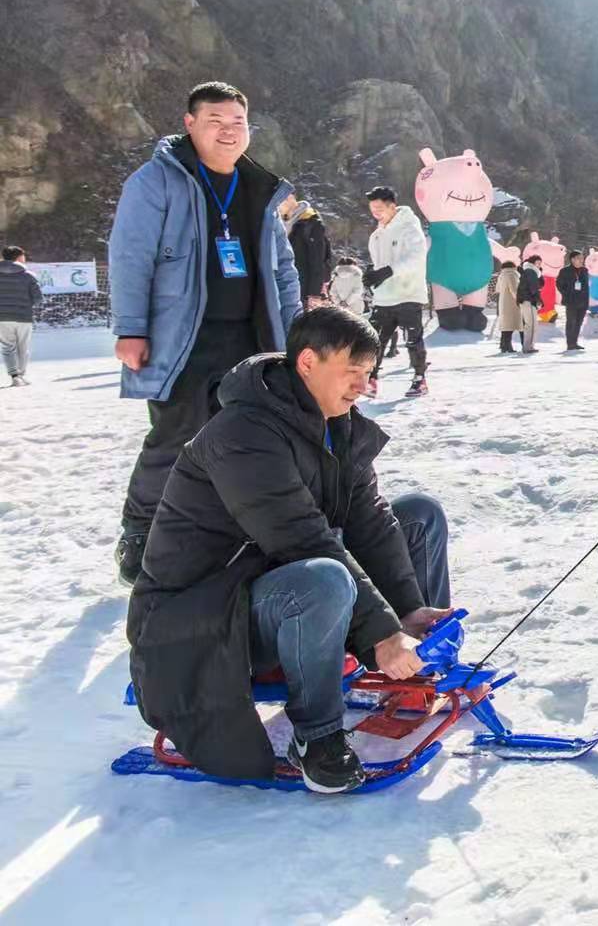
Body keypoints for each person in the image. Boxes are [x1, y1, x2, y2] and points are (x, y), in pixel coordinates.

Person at [126, 307, 454, 791]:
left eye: (369, 373)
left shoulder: (337, 424)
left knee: (418, 517)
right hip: (205, 617)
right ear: (307, 362)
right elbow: (299, 537)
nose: (363, 385)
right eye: (353, 372)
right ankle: (316, 737)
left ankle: (413, 672)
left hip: (270, 589)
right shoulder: (242, 434)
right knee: (322, 575)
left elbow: (369, 522)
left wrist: (405, 613)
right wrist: (380, 631)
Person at [109, 81, 302, 584]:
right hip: (184, 338)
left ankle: (231, 532)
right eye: (215, 121)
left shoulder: (258, 188)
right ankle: (141, 532)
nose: (228, 131)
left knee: (251, 437)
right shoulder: (156, 182)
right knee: (176, 437)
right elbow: (131, 257)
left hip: (252, 337)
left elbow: (282, 270)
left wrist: (295, 331)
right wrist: (131, 328)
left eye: (237, 122)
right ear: (189, 123)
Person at [362, 186, 428, 397]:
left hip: (408, 294)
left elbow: (416, 257)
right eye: (372, 209)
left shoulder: (409, 228)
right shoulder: (376, 235)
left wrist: (388, 271)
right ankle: (370, 379)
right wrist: (372, 274)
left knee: (412, 339)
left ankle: (420, 379)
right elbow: (380, 263)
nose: (376, 213)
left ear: (392, 206)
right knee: (374, 340)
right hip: (384, 297)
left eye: (379, 208)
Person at [0, 245, 44, 387]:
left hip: (2, 317)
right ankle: (21, 375)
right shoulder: (28, 276)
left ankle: (14, 376)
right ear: (19, 257)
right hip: (24, 316)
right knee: (22, 347)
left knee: (8, 347)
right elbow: (38, 298)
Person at [281, 195, 333, 308]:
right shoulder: (285, 223)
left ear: (290, 199)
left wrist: (314, 293)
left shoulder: (311, 223)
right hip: (289, 286)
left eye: (280, 202)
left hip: (304, 291)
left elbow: (318, 259)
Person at [557, 250, 590, 352]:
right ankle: (570, 344)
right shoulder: (565, 271)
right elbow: (559, 285)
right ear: (572, 259)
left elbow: (586, 286)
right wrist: (567, 294)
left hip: (583, 301)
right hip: (571, 301)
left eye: (582, 258)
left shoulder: (584, 270)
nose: (581, 260)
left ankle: (575, 342)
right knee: (571, 322)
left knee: (578, 323)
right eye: (579, 258)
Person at [494, 258, 521, 353]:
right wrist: (519, 300)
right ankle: (508, 347)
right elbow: (514, 290)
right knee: (510, 326)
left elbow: (497, 289)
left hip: (503, 302)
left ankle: (503, 345)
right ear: (513, 267)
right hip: (511, 303)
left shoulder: (501, 275)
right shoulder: (512, 275)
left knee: (506, 326)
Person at [516, 255, 542, 353]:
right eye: (538, 263)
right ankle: (528, 347)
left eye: (540, 263)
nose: (539, 265)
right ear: (532, 263)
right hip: (528, 300)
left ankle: (528, 346)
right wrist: (538, 300)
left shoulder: (528, 271)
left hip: (526, 300)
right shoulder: (531, 271)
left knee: (530, 324)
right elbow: (533, 288)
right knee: (531, 324)